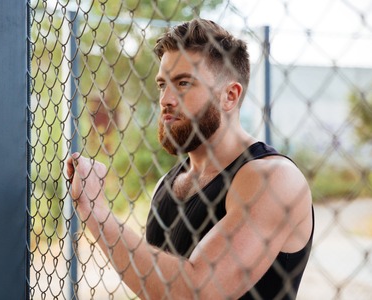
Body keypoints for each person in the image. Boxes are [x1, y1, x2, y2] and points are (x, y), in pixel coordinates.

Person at [67, 18, 314, 299]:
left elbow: (198, 289)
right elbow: (159, 285)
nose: (165, 99)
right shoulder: (169, 183)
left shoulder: (273, 179)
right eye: (162, 85)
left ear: (230, 96)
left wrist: (97, 212)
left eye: (183, 83)